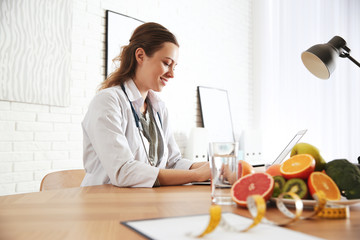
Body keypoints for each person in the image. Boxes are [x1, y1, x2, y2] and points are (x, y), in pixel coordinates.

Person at [81, 22, 211, 187]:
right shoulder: (108, 101)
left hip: (145, 203)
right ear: (140, 56)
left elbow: (173, 162)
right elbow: (123, 172)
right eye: (166, 63)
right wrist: (195, 175)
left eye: (174, 67)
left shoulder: (159, 108)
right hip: (105, 204)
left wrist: (212, 167)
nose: (171, 74)